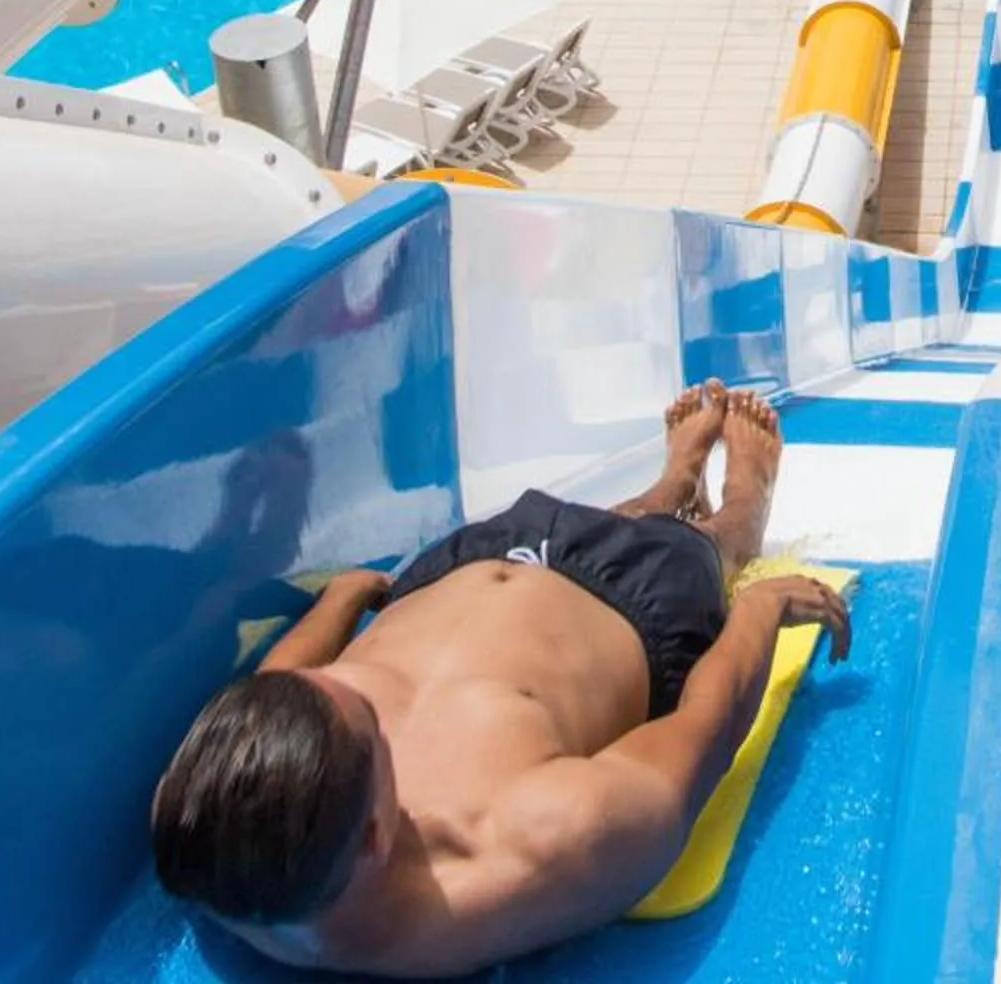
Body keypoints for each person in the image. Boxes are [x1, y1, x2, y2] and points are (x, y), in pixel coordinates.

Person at [150, 381, 849, 976]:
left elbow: (280, 686)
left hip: (459, 567)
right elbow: (710, 721)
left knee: (621, 513)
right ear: (373, 835)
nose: (350, 681)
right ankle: (739, 501)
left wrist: (341, 601)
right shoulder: (541, 841)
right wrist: (759, 608)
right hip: (638, 608)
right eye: (369, 708)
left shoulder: (201, 827)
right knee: (709, 547)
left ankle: (670, 483)